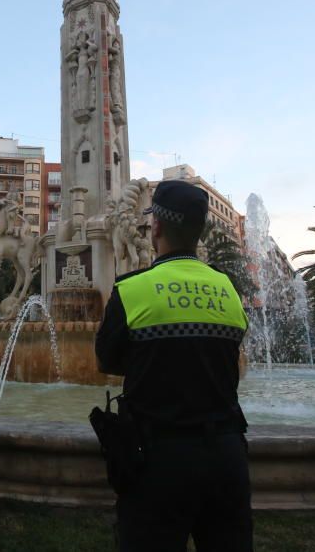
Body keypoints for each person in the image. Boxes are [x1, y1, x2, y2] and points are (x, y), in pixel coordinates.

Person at [95, 180, 253, 551]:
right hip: (227, 455)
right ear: (199, 231)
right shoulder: (227, 289)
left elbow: (106, 360)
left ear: (157, 228)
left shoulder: (132, 288)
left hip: (158, 460)